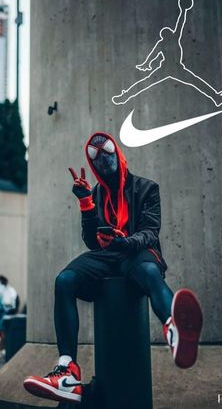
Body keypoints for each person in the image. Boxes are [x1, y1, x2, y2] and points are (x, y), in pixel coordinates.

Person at [24, 132, 203, 404]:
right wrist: (86, 203)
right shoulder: (94, 192)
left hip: (137, 252)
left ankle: (175, 331)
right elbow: (91, 241)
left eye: (107, 151)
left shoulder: (147, 188)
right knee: (64, 280)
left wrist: (124, 241)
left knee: (149, 272)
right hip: (109, 256)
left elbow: (150, 232)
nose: (103, 160)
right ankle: (67, 373)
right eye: (96, 156)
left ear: (117, 153)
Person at [0, 275, 18, 351]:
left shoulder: (10, 291)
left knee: (2, 327)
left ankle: (2, 346)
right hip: (3, 312)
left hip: (8, 313)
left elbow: (12, 306)